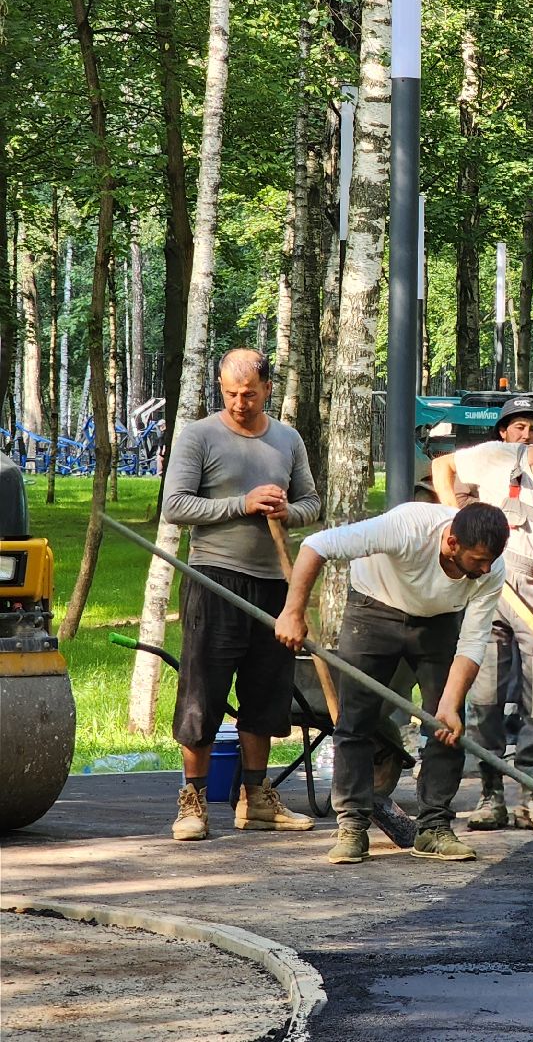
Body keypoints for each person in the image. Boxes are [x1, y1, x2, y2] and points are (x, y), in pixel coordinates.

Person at [275, 502, 508, 864]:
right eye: (478, 560)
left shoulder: (490, 568)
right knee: (356, 721)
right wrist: (292, 613)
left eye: (490, 560)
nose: (486, 569)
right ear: (451, 543)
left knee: (447, 724)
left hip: (438, 622)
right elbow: (316, 545)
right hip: (373, 610)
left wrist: (449, 704)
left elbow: (474, 641)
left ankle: (433, 828)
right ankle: (352, 825)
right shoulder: (407, 528)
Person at [161, 349, 323, 842]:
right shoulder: (199, 436)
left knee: (267, 692)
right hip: (214, 580)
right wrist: (242, 503)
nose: (238, 402)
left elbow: (312, 503)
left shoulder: (287, 439)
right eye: (230, 393)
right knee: (202, 693)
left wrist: (286, 512)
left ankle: (257, 798)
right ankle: (193, 801)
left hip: (275, 584)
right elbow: (175, 506)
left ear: (267, 389)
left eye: (249, 394)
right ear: (220, 386)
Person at [429, 410, 533, 833]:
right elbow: (442, 466)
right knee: (484, 700)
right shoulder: (498, 458)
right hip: (489, 596)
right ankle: (491, 796)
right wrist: (454, 518)